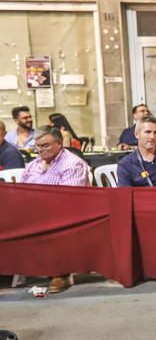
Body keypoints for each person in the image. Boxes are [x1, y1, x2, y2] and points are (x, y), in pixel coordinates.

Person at [21, 126, 90, 294]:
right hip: (32, 212)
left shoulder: (72, 164)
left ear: (59, 143)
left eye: (45, 145)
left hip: (63, 214)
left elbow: (70, 199)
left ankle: (60, 273)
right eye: (38, 146)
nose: (40, 150)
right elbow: (21, 191)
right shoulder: (33, 165)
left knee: (55, 224)